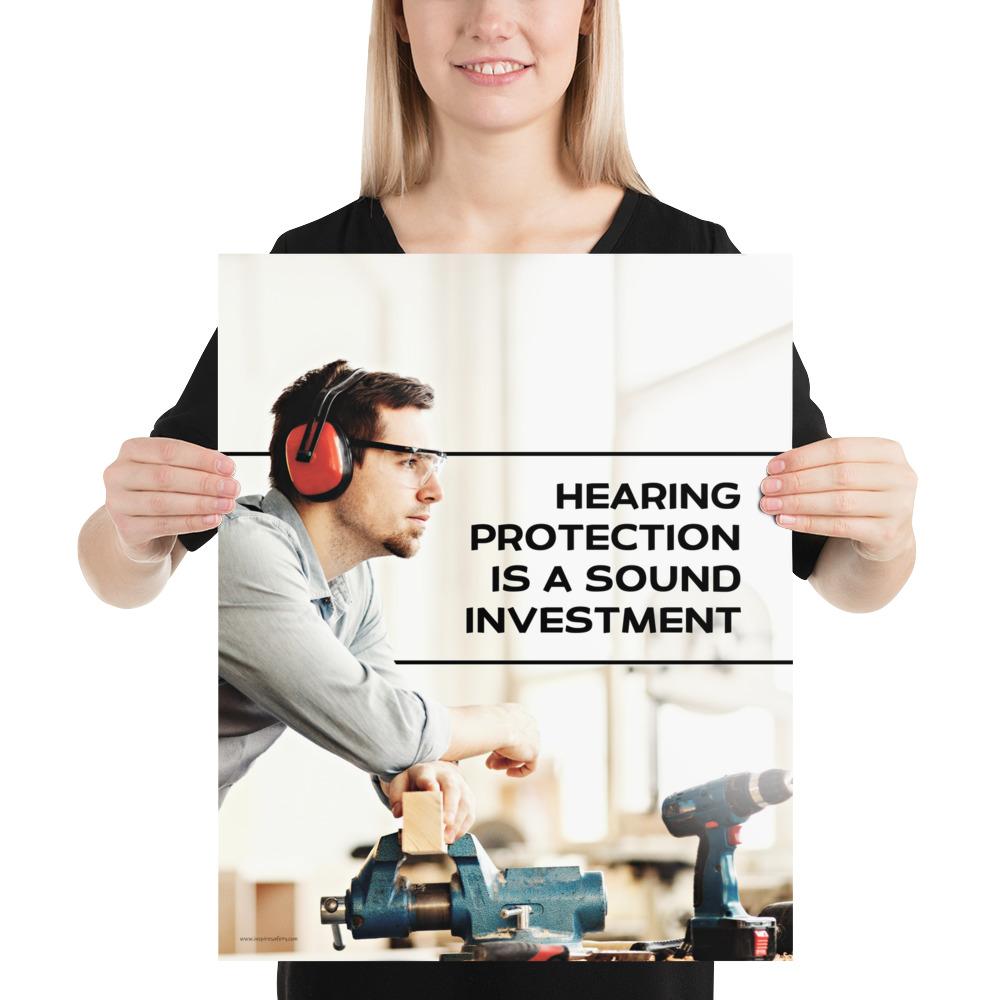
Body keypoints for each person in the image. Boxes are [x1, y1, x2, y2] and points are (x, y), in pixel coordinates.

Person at [75, 0, 916, 994]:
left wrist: (885, 529)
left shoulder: (696, 262)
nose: (490, 17)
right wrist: (131, 534)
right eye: (411, 458)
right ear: (315, 460)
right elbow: (123, 575)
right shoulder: (299, 281)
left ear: (592, 18)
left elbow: (849, 580)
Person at [219, 359, 540, 841]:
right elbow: (389, 729)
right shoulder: (240, 550)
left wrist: (421, 769)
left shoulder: (352, 584)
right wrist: (508, 722)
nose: (435, 491)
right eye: (411, 462)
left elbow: (388, 720)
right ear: (322, 459)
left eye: (435, 465)